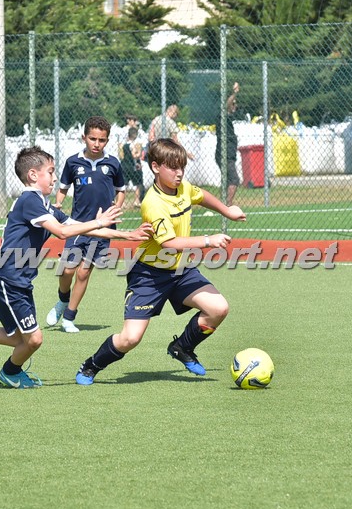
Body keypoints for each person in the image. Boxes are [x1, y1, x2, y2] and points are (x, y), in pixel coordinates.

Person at [0, 146, 150, 388]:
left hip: (17, 282)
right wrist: (99, 221)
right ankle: (9, 372)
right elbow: (62, 232)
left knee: (19, 339)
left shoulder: (44, 205)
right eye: (50, 172)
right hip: (7, 280)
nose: (54, 177)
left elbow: (78, 227)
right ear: (32, 175)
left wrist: (127, 235)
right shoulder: (29, 200)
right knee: (34, 340)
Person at [75, 138, 247, 385]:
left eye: (182, 167)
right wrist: (208, 240)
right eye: (173, 167)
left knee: (218, 309)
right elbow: (169, 243)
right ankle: (92, 365)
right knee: (130, 338)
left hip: (181, 270)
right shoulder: (152, 203)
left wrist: (227, 211)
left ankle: (182, 347)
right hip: (149, 275)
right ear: (155, 167)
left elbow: (201, 195)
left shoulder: (183, 188)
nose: (179, 173)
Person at [45, 116, 126, 334]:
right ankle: (63, 300)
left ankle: (69, 318)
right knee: (67, 270)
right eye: (92, 139)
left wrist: (116, 207)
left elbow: (121, 191)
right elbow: (63, 188)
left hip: (102, 229)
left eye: (102, 140)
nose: (97, 144)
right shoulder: (73, 162)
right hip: (77, 226)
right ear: (84, 138)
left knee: (83, 273)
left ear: (107, 140)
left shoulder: (113, 163)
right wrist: (58, 204)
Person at [216, 82, 242, 206]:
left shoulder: (228, 120)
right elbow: (227, 104)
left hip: (228, 154)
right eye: (233, 104)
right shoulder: (223, 117)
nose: (235, 106)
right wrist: (235, 93)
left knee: (227, 180)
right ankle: (228, 204)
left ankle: (223, 204)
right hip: (224, 154)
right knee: (234, 179)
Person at [121, 126, 144, 207]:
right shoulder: (133, 144)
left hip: (125, 165)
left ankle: (122, 202)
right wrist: (139, 154)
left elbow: (122, 155)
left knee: (124, 185)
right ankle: (136, 201)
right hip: (133, 166)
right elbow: (134, 155)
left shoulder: (124, 144)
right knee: (137, 183)